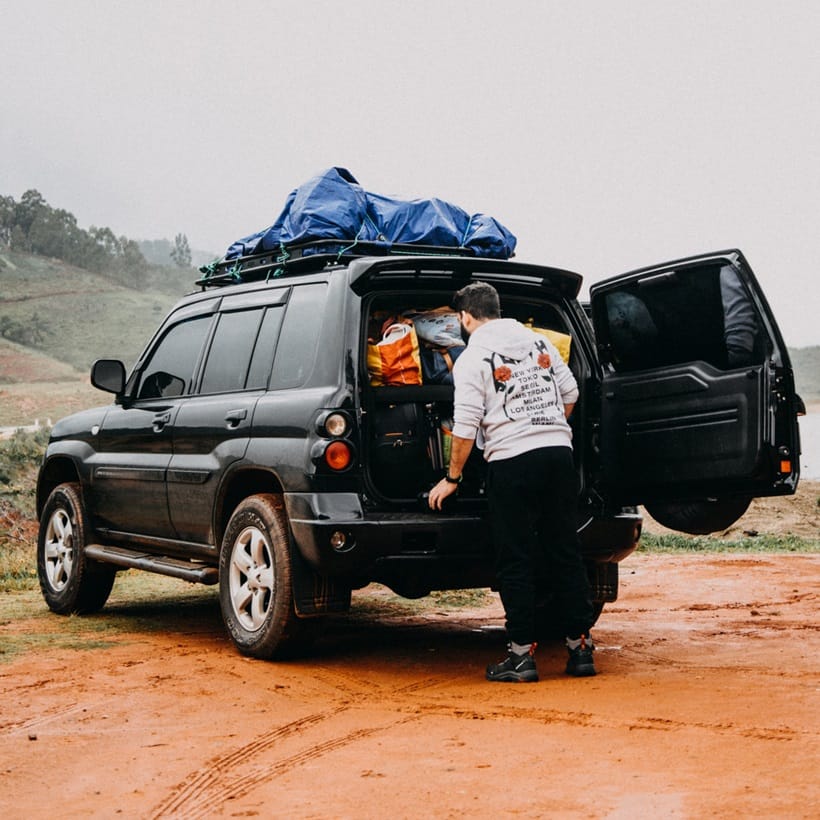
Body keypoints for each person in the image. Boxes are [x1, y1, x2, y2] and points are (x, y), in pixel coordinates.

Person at [428, 282, 596, 682]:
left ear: (466, 317)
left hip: (511, 462)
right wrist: (545, 426)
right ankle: (580, 650)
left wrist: (452, 478)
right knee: (564, 551)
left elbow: (465, 427)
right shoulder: (539, 342)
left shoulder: (472, 358)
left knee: (515, 557)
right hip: (558, 455)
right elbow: (571, 392)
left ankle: (521, 657)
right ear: (497, 309)